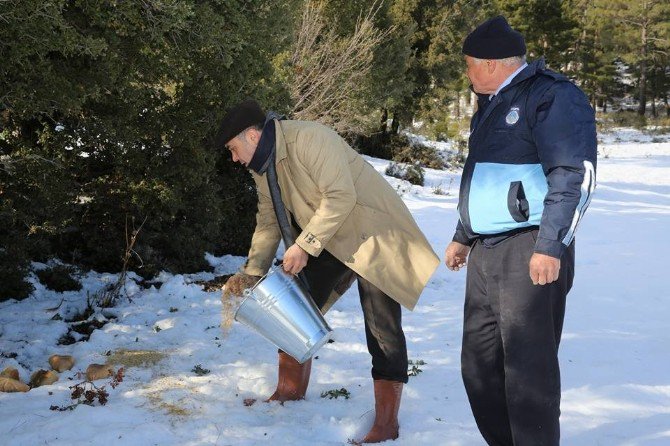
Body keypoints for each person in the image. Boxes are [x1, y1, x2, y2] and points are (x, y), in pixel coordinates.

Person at [218, 99, 439, 443]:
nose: (234, 159)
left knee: (383, 327)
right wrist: (253, 270)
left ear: (251, 135)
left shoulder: (310, 138)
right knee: (291, 307)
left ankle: (386, 423)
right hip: (328, 236)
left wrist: (304, 246)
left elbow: (340, 196)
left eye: (233, 149)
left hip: (373, 233)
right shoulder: (262, 166)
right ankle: (289, 392)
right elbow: (268, 219)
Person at [444, 16, 597, 446]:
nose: (468, 73)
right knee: (478, 366)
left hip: (531, 248)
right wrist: (463, 234)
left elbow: (574, 175)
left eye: (470, 64)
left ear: (491, 63)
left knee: (528, 373)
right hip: (486, 253)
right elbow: (483, 180)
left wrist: (550, 246)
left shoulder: (551, 96)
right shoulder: (490, 104)